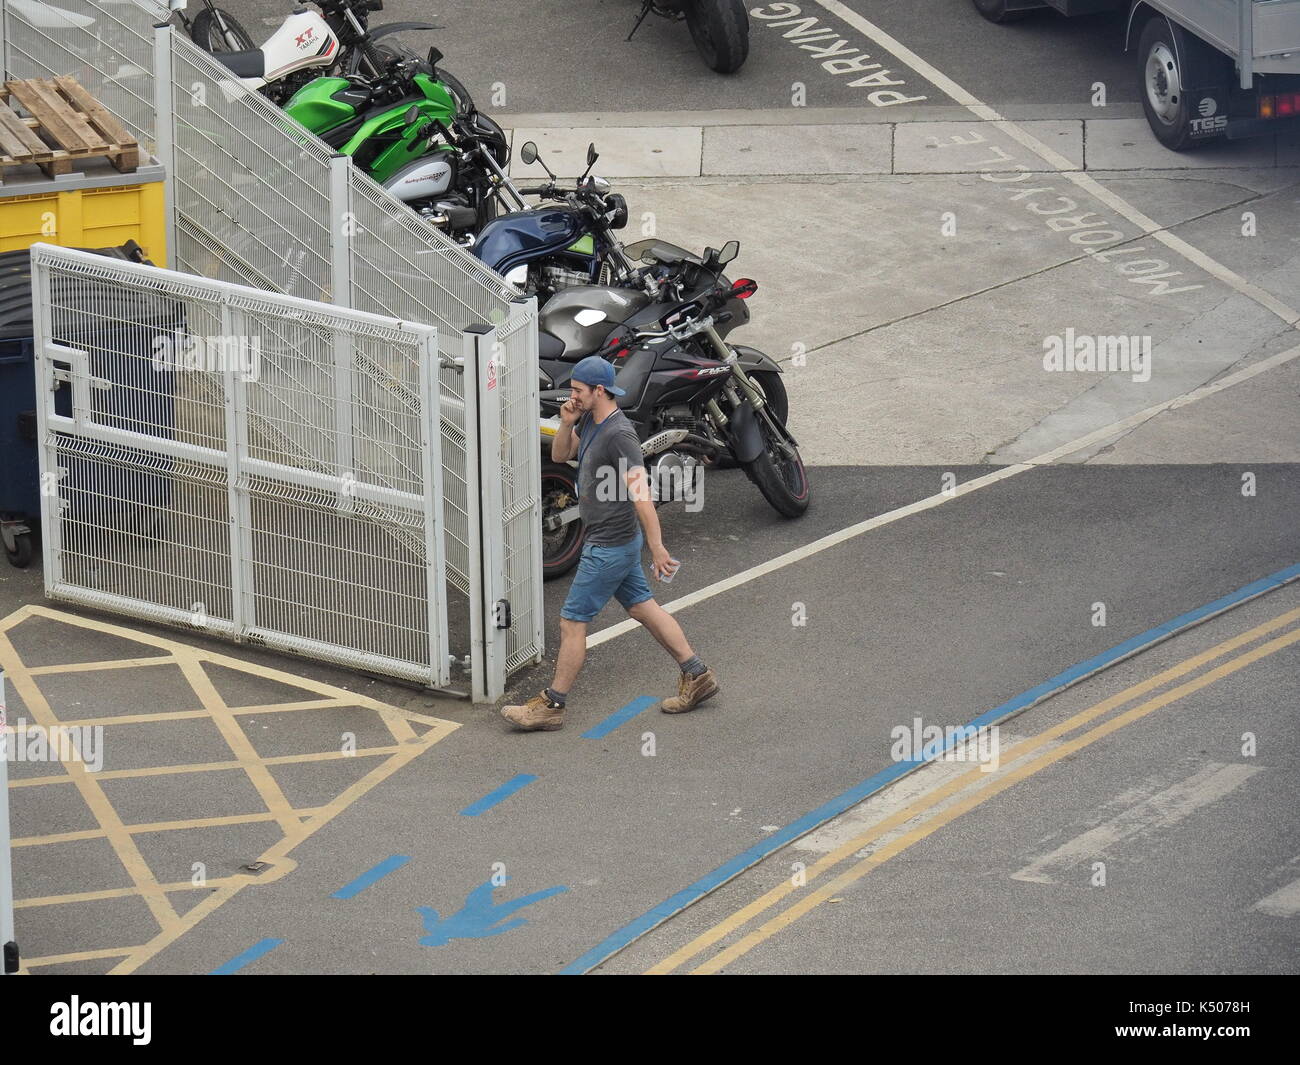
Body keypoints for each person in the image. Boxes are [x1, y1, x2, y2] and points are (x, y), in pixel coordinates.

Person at [501, 356, 718, 732]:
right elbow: (560, 455)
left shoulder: (621, 436)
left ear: (599, 391)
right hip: (614, 542)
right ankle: (697, 675)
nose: (572, 396)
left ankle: (553, 704)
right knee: (644, 609)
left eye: (578, 391)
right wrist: (567, 423)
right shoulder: (588, 418)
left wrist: (659, 547)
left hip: (608, 546)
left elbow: (642, 496)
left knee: (571, 622)